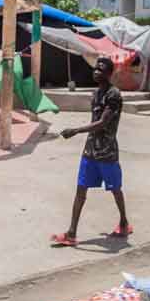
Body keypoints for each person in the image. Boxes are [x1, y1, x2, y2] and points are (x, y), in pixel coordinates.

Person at [51, 56, 130, 247]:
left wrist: (76, 130)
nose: (96, 72)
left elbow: (102, 122)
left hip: (107, 152)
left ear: (109, 74)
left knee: (115, 189)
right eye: (95, 68)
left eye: (100, 69)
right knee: (81, 189)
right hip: (90, 151)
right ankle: (71, 233)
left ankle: (124, 223)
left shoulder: (114, 95)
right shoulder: (96, 94)